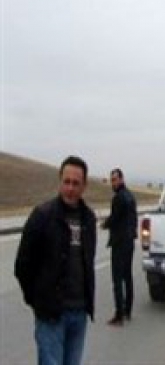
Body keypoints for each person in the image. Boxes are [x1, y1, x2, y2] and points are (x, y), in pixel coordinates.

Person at [15, 155, 97, 365]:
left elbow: (88, 261)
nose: (70, 188)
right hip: (51, 316)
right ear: (60, 181)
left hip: (78, 314)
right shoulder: (42, 216)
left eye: (75, 183)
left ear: (84, 186)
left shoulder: (88, 218)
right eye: (66, 182)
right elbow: (23, 266)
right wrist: (37, 301)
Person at [101, 168, 138, 326]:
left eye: (115, 179)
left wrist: (104, 224)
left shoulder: (119, 198)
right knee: (127, 276)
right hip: (129, 241)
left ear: (121, 179)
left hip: (119, 242)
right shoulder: (130, 196)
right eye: (112, 180)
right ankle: (128, 310)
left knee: (117, 279)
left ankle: (119, 314)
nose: (113, 183)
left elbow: (114, 219)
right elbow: (134, 219)